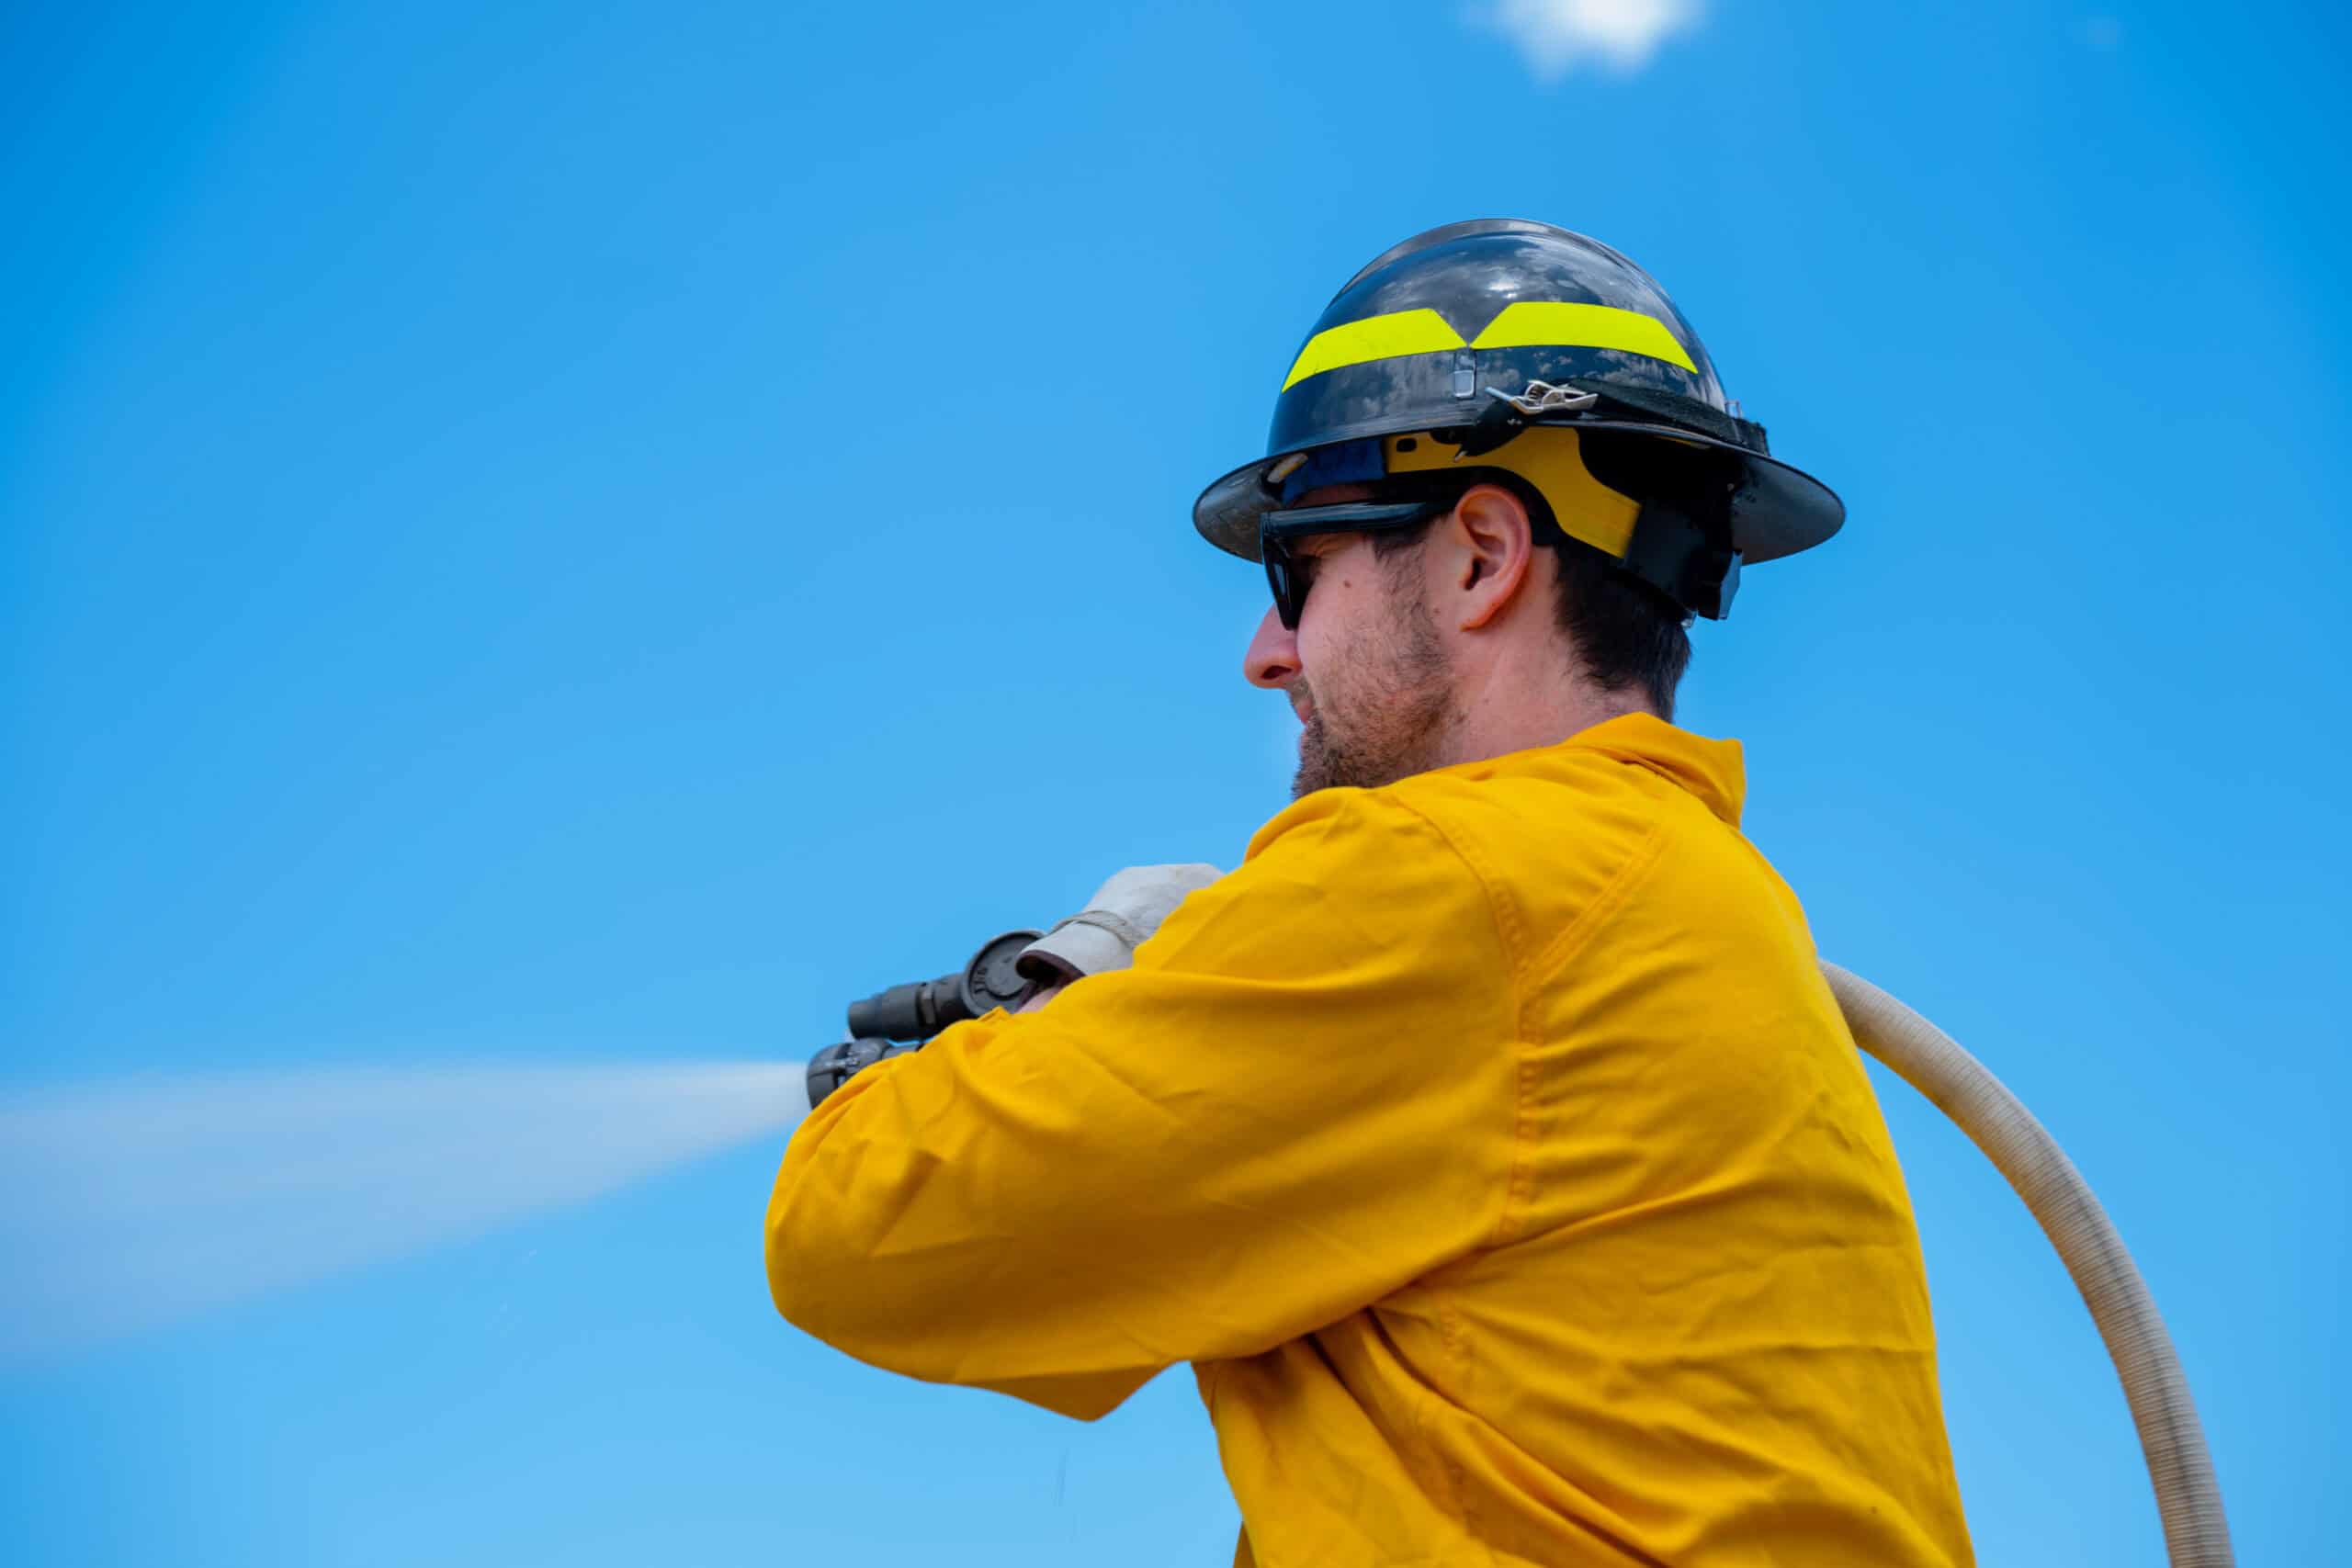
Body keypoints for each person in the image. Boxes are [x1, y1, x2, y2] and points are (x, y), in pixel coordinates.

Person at [766, 220, 1976, 1566]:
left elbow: (871, 1229)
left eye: (1301, 570)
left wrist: (1080, 988)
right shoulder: (1678, 905)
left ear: (1480, 555)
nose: (1265, 653)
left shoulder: (1466, 881)